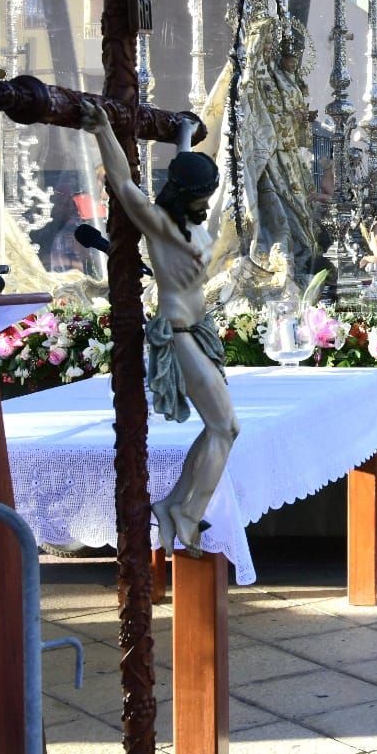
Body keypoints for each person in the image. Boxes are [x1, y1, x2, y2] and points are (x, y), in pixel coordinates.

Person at [82, 100, 237, 559]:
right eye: (202, 195)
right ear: (185, 195)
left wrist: (183, 138)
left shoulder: (190, 218)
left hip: (200, 331)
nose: (207, 202)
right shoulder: (162, 225)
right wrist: (104, 129)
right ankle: (186, 514)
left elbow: (182, 173)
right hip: (179, 334)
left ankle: (173, 505)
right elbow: (124, 185)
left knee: (222, 427)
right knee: (224, 428)